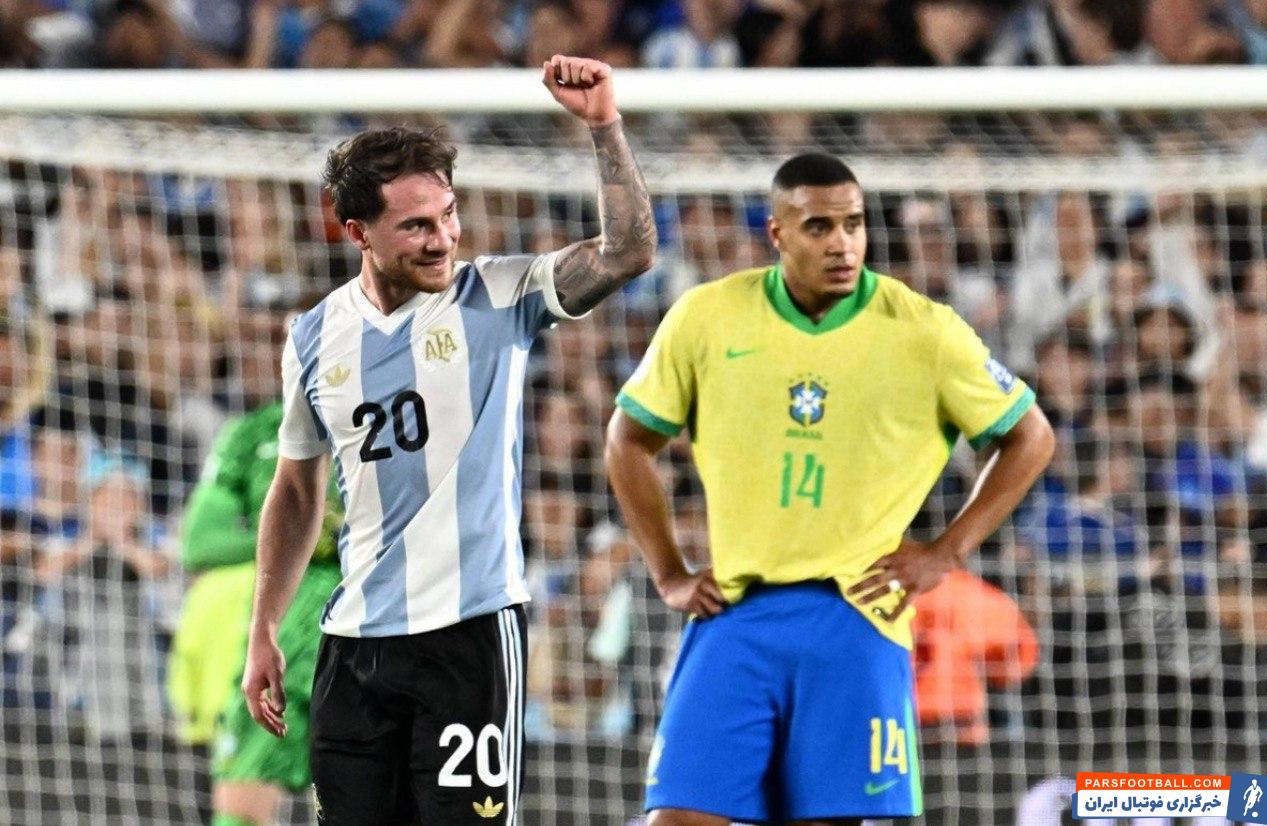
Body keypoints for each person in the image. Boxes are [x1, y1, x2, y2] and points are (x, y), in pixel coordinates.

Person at [241, 53, 656, 825]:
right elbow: (295, 489)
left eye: (449, 216)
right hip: (353, 645)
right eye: (417, 226)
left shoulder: (498, 294)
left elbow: (627, 253)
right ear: (357, 231)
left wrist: (604, 127)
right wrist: (263, 627)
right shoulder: (313, 338)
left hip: (468, 636)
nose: (443, 240)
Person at [604, 152, 1055, 825]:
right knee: (675, 818)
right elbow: (627, 440)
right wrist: (668, 571)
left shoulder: (923, 330)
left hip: (856, 616)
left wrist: (948, 551)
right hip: (736, 612)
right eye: (819, 227)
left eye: (853, 223)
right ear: (777, 233)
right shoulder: (707, 317)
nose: (842, 243)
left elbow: (1031, 437)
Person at [168, 395, 344, 826]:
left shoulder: (392, 410)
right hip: (283, 626)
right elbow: (199, 543)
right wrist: (299, 535)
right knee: (244, 789)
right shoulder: (253, 432)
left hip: (373, 621)